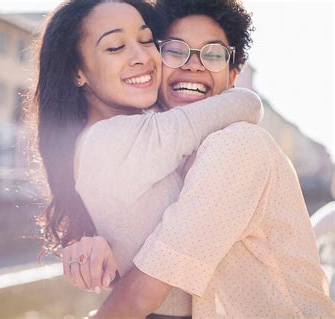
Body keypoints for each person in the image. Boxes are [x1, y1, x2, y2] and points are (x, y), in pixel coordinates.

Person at [63, 0, 335, 318]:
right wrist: (91, 244)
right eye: (176, 51)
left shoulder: (237, 147)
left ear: (234, 75)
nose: (194, 65)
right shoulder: (157, 153)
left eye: (214, 54)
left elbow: (141, 296)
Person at [31, 0, 262, 318]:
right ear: (77, 71)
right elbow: (246, 104)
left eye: (146, 40)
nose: (141, 57)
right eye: (114, 47)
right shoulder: (115, 139)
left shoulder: (104, 139)